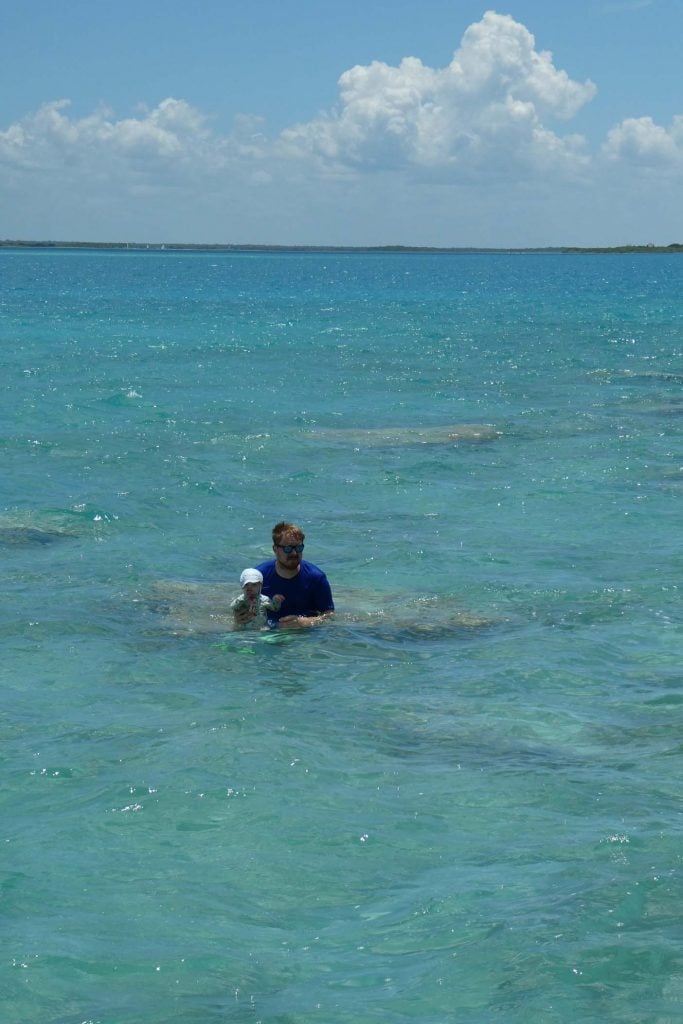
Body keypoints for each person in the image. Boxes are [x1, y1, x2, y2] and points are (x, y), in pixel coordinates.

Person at [234, 522, 334, 628]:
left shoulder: (316, 578)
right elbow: (244, 606)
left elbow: (330, 616)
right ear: (275, 549)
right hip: (266, 633)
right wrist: (239, 617)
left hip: (303, 636)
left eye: (299, 548)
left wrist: (305, 622)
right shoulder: (258, 577)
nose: (295, 553)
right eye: (288, 549)